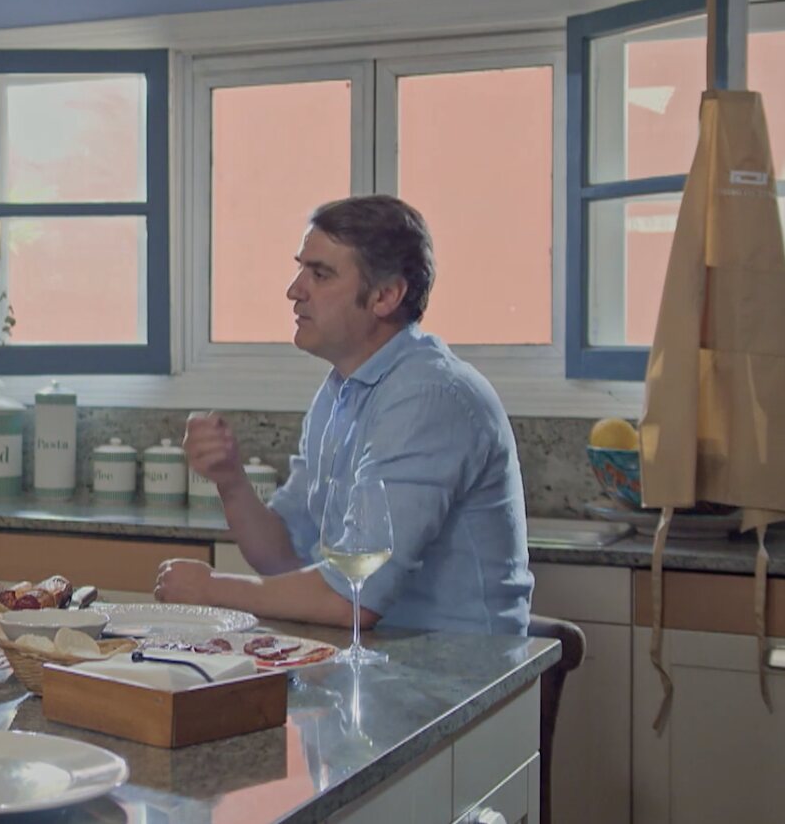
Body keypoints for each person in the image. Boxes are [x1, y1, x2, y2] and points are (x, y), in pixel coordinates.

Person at [156, 196, 533, 635]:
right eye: (301, 270)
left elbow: (354, 598)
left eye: (320, 274)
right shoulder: (340, 391)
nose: (295, 289)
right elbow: (284, 558)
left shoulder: (429, 397)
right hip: (379, 661)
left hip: (465, 676)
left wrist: (214, 590)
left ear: (385, 296)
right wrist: (230, 480)